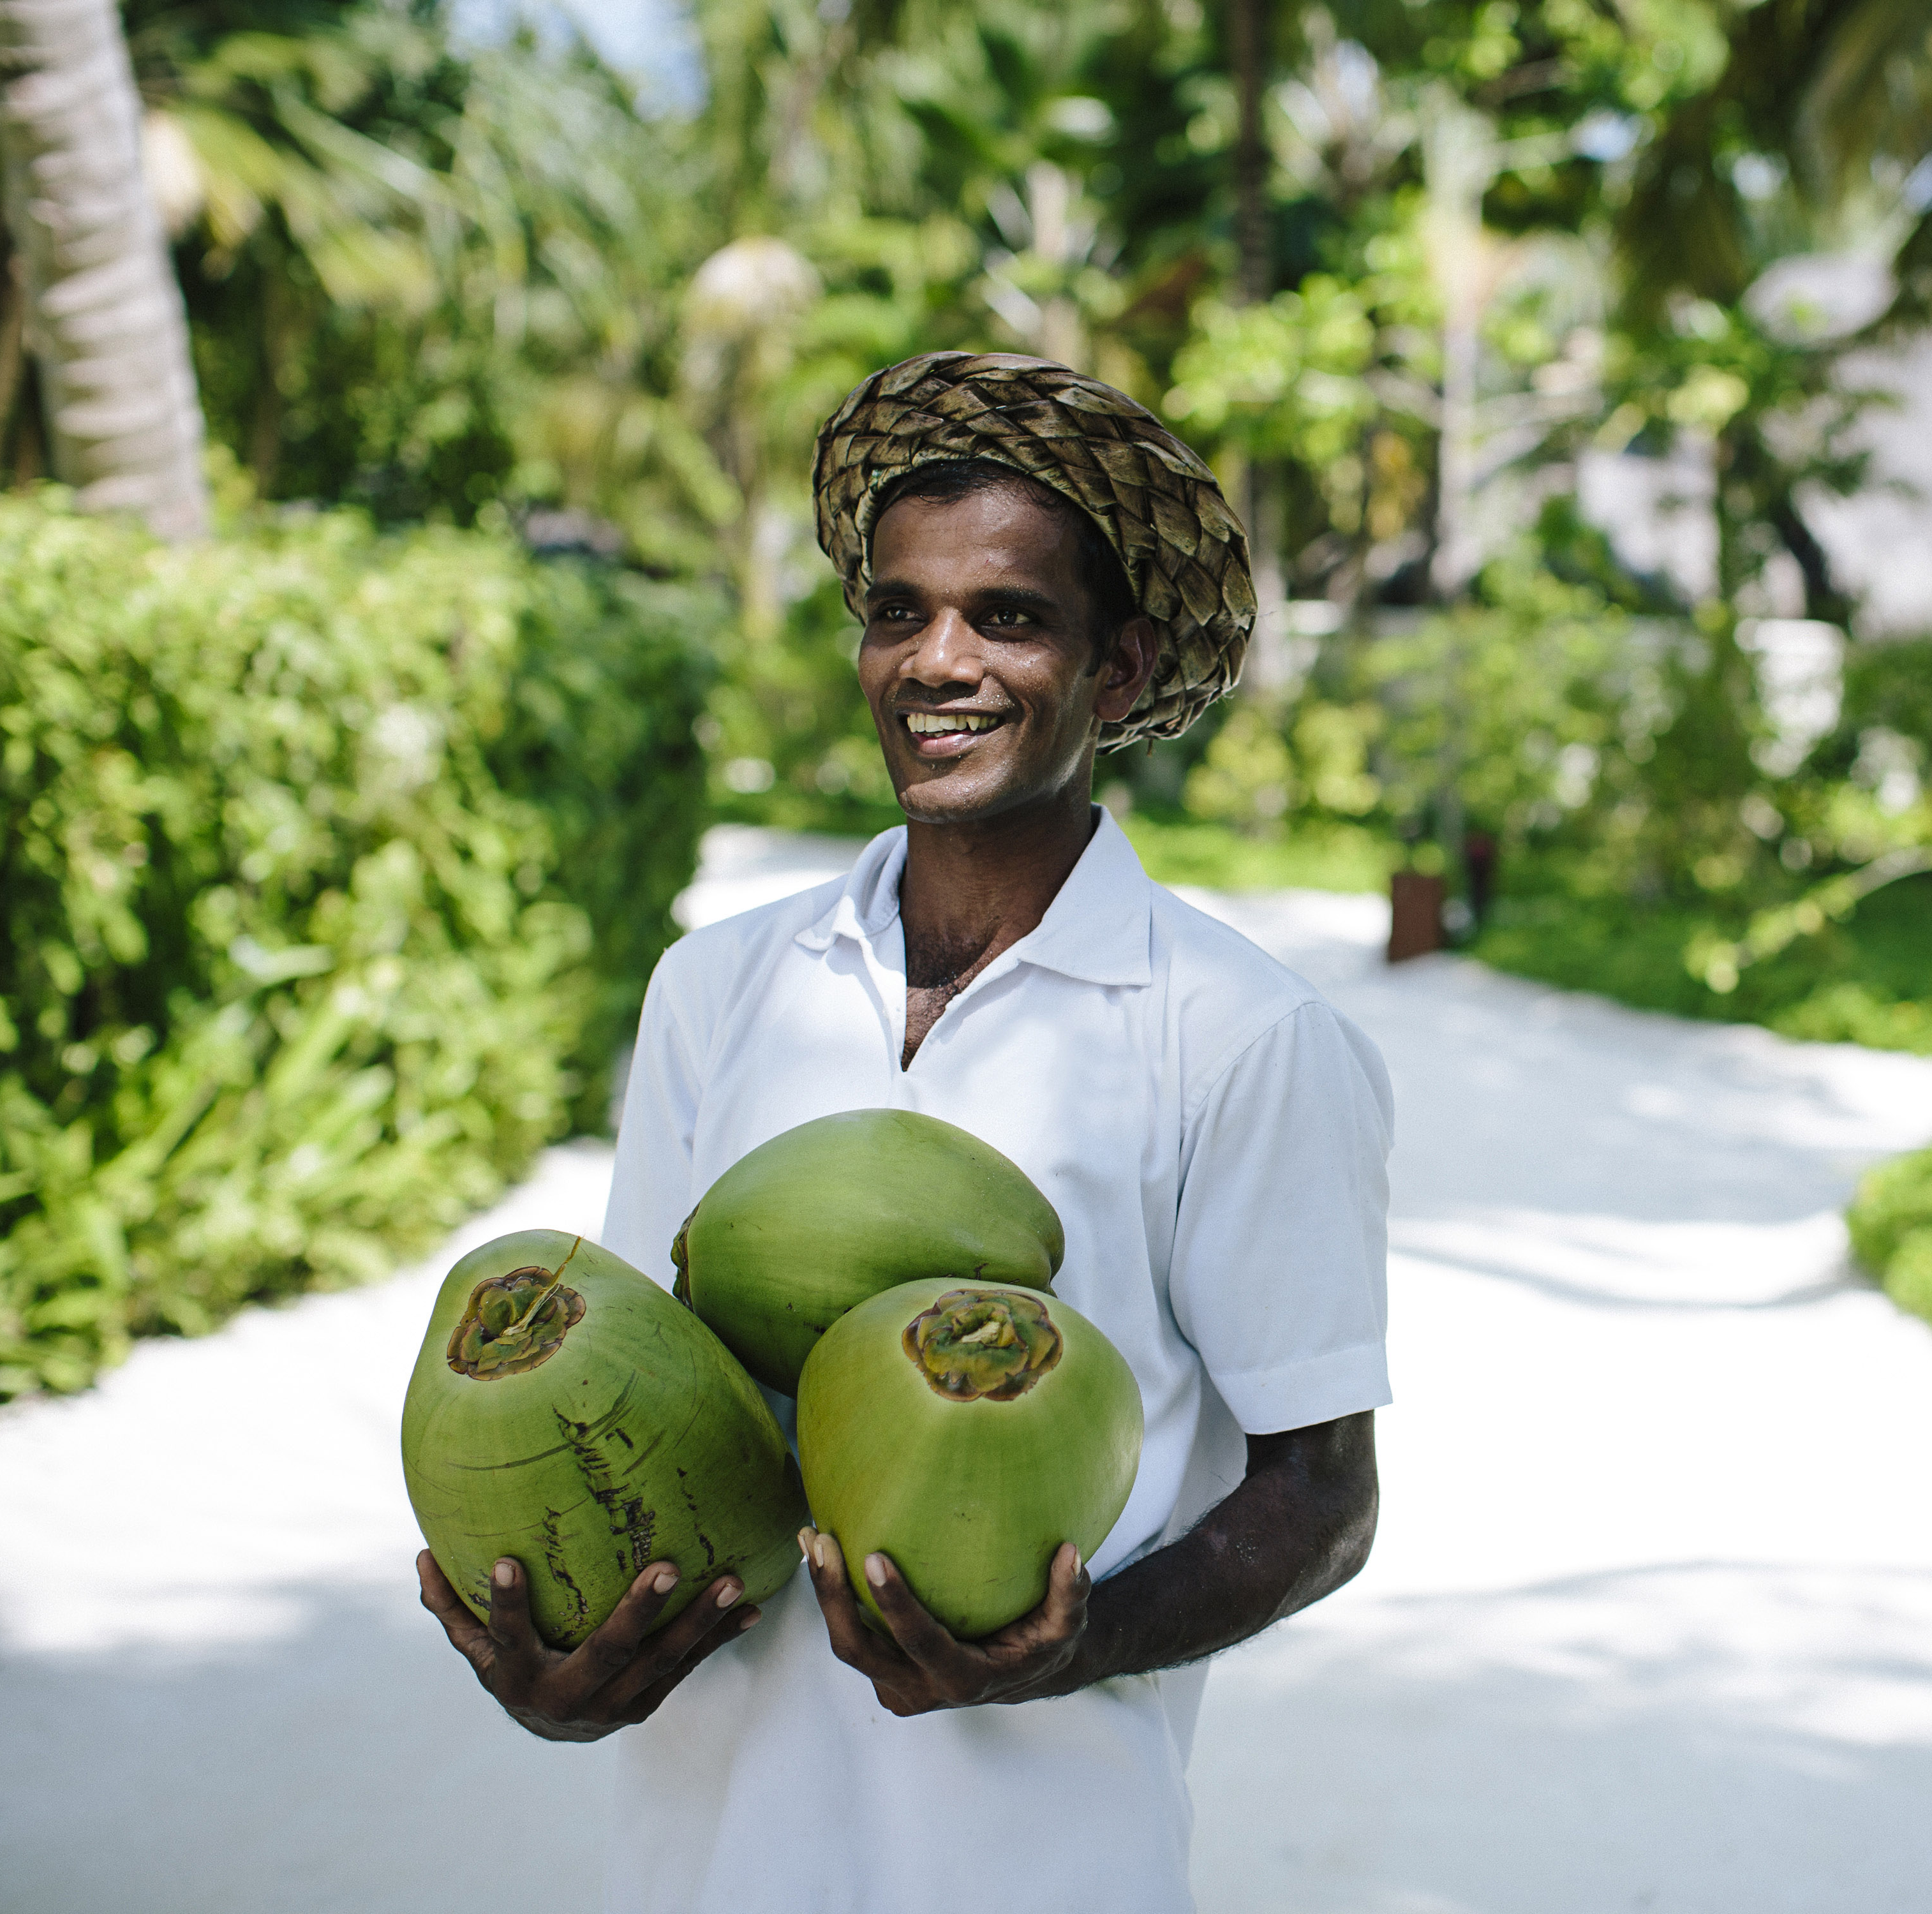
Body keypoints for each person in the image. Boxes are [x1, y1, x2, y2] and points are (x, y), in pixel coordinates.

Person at [415, 352, 1393, 1913]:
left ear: (1121, 673)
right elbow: (639, 1391)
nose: (939, 660)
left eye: (1008, 616)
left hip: (1043, 1860)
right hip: (711, 1853)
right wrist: (559, 1653)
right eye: (898, 609)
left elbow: (1322, 1497)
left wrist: (1078, 1647)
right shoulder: (720, 986)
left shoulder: (1243, 1037)